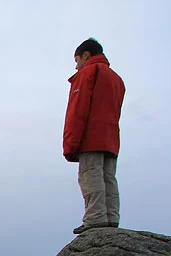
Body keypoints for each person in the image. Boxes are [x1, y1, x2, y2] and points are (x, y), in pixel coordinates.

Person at [63, 38, 125, 235]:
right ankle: (111, 217)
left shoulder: (87, 74)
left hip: (90, 137)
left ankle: (95, 218)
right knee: (108, 178)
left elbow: (77, 110)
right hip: (111, 138)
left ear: (86, 55)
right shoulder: (116, 79)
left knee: (91, 177)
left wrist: (71, 144)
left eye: (77, 60)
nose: (76, 65)